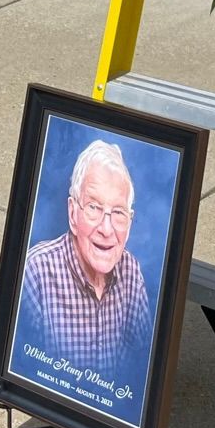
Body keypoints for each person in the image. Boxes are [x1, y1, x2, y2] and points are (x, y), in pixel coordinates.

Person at [17, 137, 153, 382]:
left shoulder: (131, 270)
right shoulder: (35, 272)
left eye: (118, 212)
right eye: (93, 207)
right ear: (72, 213)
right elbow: (23, 372)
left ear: (130, 223)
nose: (106, 228)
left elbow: (143, 366)